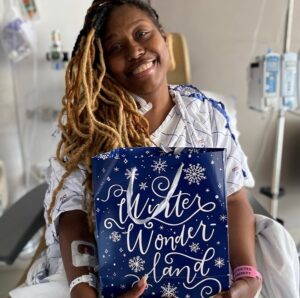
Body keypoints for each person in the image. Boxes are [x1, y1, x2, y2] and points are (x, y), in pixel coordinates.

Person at [10, 0, 263, 297]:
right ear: (101, 66)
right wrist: (84, 291)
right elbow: (72, 216)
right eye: (115, 48)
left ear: (164, 39)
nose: (134, 51)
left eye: (142, 34)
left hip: (199, 278)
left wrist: (247, 275)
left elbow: (233, 200)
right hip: (98, 277)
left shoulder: (206, 117)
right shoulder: (85, 128)